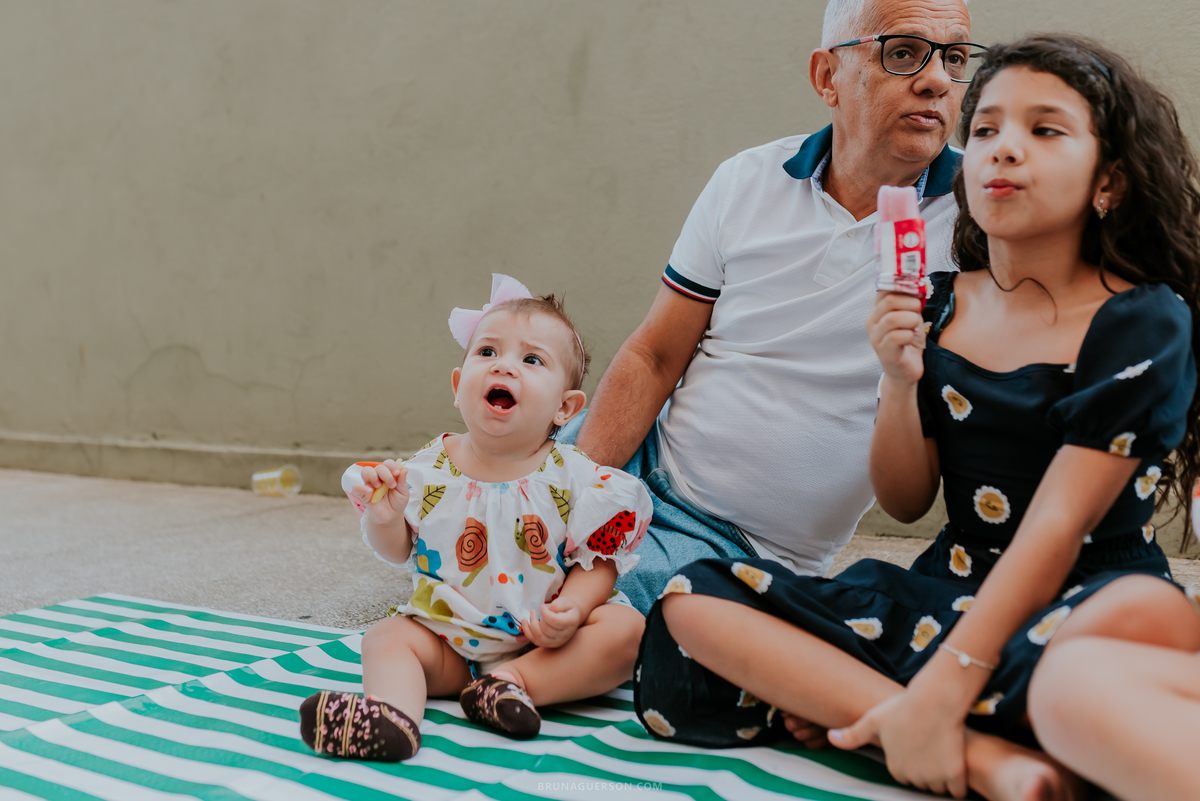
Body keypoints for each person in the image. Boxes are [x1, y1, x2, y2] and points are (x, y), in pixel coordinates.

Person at [635, 33, 1200, 801]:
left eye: (1045, 129)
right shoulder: (937, 303)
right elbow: (904, 500)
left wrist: (943, 680)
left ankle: (889, 710)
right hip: (951, 587)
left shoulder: (1141, 320)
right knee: (694, 601)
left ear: (1110, 182)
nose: (1003, 148)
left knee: (1070, 678)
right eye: (987, 128)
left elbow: (1058, 524)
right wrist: (900, 381)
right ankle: (976, 753)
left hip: (1082, 599)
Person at [562, 0, 981, 613]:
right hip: (633, 457)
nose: (938, 80)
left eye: (956, 58)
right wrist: (573, 491)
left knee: (559, 614)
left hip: (741, 545)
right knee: (470, 538)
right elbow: (655, 355)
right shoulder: (749, 179)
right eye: (903, 53)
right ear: (827, 76)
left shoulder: (983, 219)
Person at [298, 275, 652, 761]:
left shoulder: (576, 477)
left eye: (531, 360)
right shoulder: (427, 469)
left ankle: (512, 682)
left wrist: (572, 609)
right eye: (487, 352)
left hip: (545, 646)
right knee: (387, 637)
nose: (503, 365)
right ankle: (392, 717)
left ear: (564, 408)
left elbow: (600, 561)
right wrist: (385, 518)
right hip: (449, 643)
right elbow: (397, 551)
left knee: (627, 631)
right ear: (458, 385)